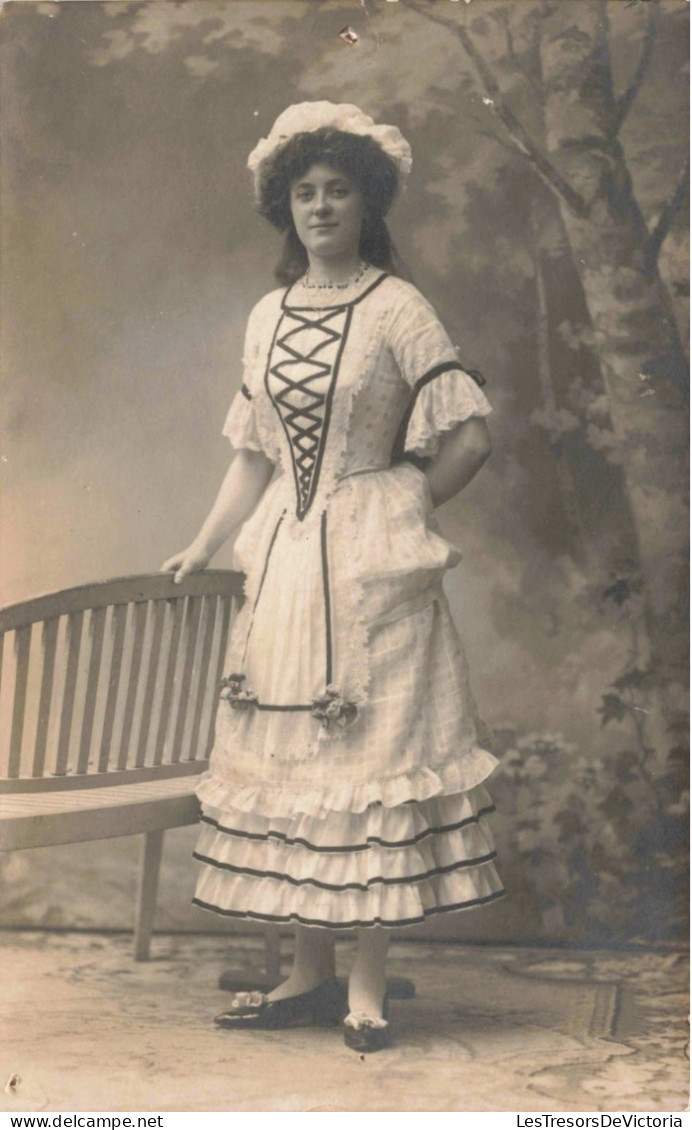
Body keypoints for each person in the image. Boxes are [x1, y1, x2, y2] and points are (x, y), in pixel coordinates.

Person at [162, 101, 505, 1053]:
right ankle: (306, 977)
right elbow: (253, 455)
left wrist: (403, 505)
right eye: (305, 193)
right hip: (282, 561)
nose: (320, 207)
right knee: (302, 766)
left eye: (338, 191)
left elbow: (469, 432)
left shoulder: (397, 305)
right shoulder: (267, 314)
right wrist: (202, 542)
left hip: (368, 565)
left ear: (367, 203)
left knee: (371, 762)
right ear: (287, 208)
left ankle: (365, 985)